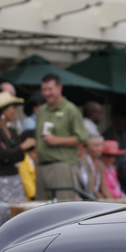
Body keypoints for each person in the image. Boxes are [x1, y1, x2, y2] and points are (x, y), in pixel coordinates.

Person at [0, 91, 36, 227]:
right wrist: (21, 148)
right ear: (3, 110)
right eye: (12, 107)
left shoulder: (12, 131)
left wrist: (12, 153)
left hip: (15, 179)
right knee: (1, 221)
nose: (14, 111)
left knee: (19, 217)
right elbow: (2, 154)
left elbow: (17, 156)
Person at [35, 73, 89, 201]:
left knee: (62, 209)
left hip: (61, 166)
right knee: (41, 209)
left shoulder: (70, 110)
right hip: (42, 167)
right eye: (44, 90)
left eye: (50, 89)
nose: (46, 93)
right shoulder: (41, 111)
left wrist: (57, 140)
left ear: (59, 88)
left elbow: (82, 138)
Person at [79, 134, 105, 199]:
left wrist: (113, 200)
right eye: (96, 145)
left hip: (94, 197)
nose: (100, 148)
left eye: (101, 145)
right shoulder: (84, 161)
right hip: (86, 197)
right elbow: (91, 186)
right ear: (87, 148)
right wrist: (102, 200)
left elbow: (104, 187)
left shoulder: (100, 164)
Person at [17, 130, 37, 200]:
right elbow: (26, 180)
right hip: (30, 200)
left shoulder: (33, 158)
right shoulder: (23, 160)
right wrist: (33, 196)